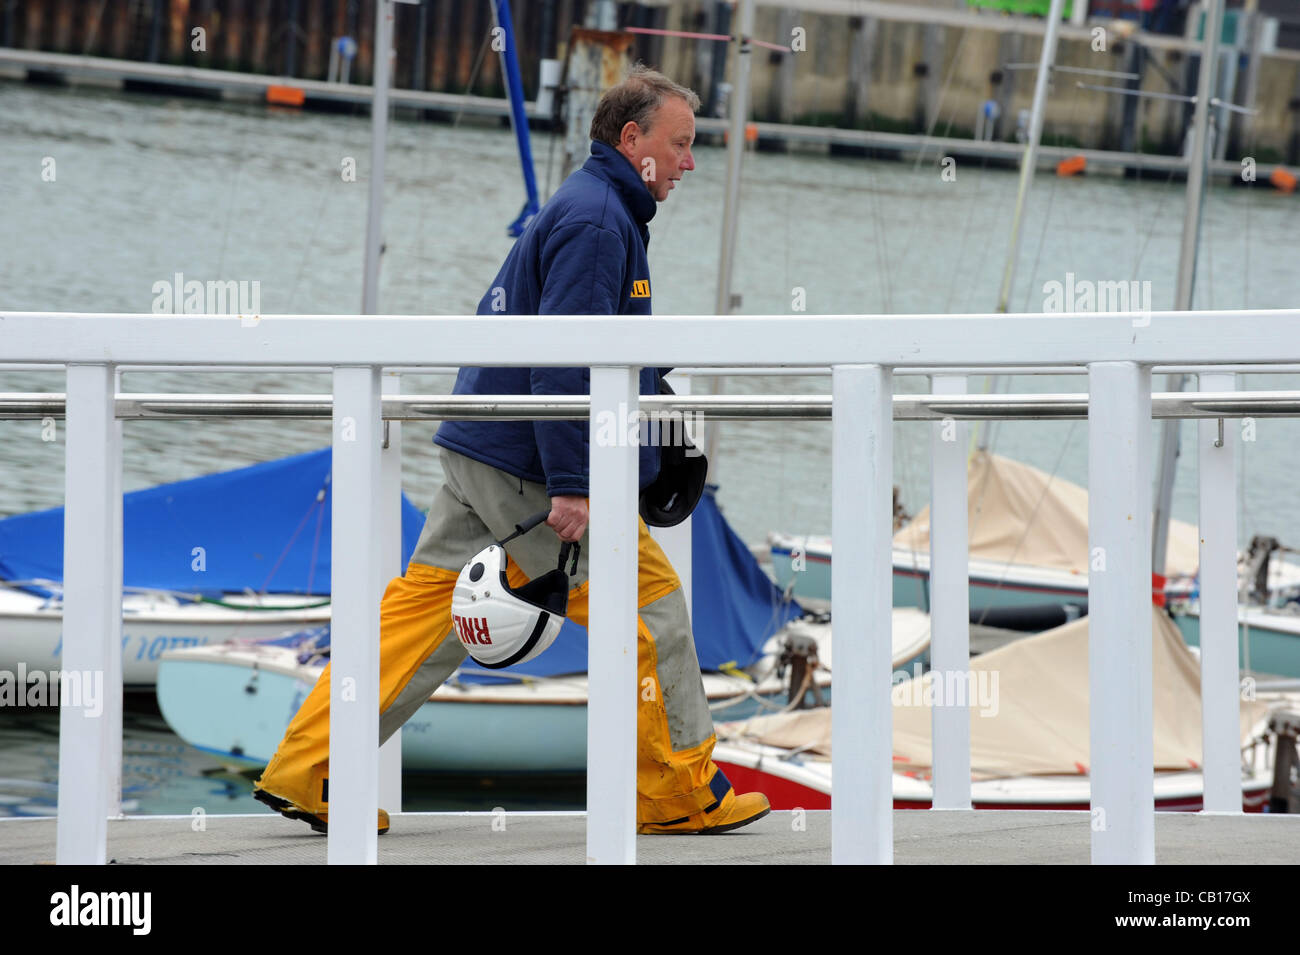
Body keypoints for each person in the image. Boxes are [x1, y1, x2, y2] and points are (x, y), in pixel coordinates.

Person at [253, 65, 770, 836]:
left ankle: (310, 768)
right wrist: (573, 481)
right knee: (650, 608)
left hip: (483, 447)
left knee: (421, 617)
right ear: (634, 140)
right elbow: (563, 359)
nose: (691, 162)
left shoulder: (593, 206)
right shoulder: (601, 222)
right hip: (532, 465)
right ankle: (675, 791)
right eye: (682, 144)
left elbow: (593, 348)